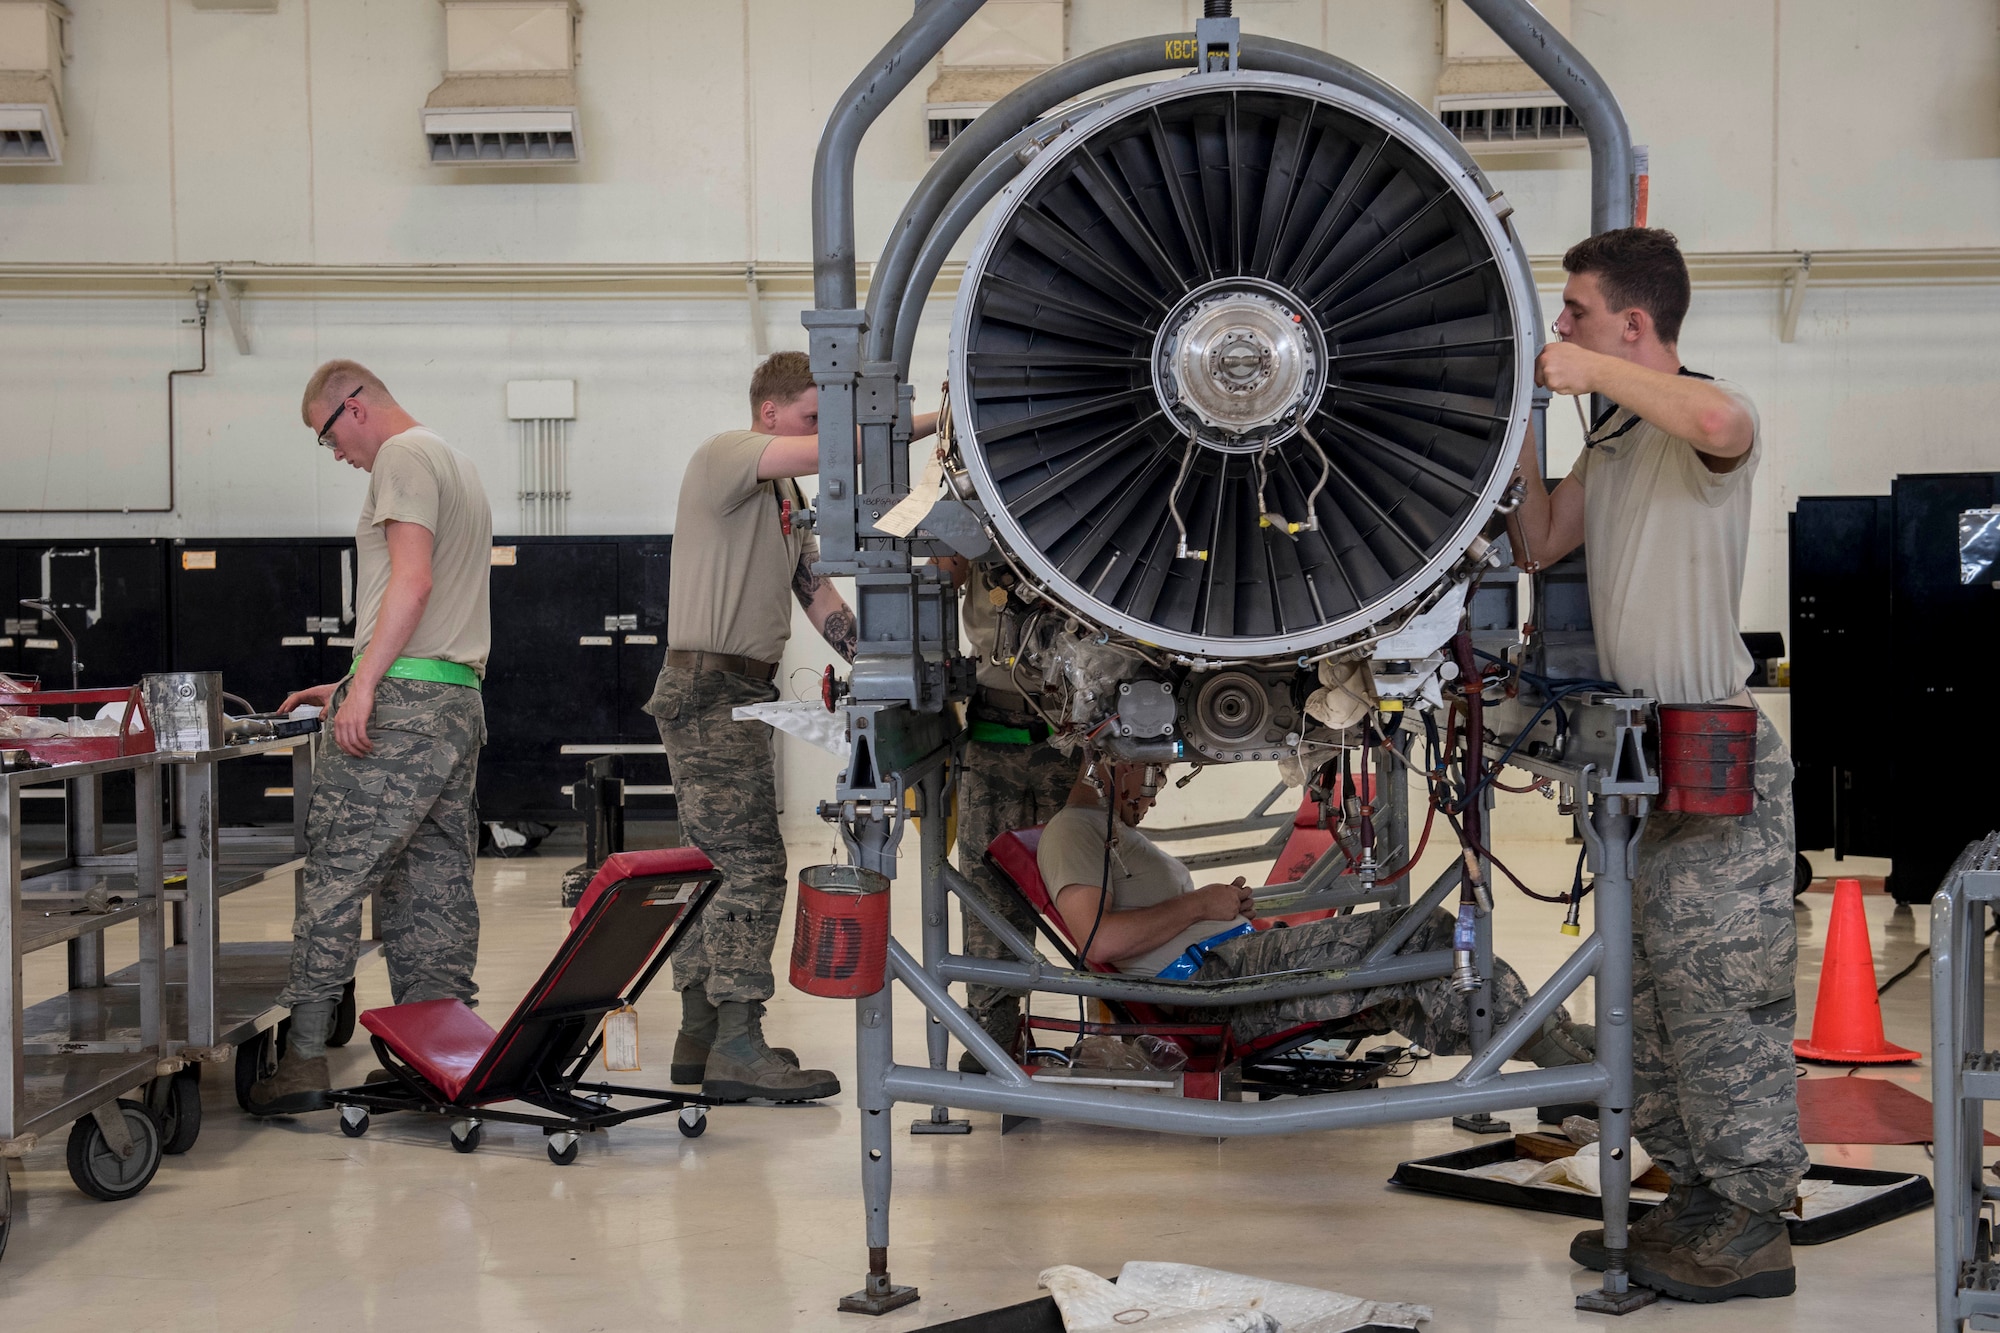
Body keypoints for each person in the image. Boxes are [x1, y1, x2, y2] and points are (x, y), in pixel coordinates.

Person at [1505, 227, 1805, 1304]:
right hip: (1640, 762)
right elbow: (1541, 540)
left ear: (1633, 325)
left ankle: (1751, 1223)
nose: (1562, 327)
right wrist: (1522, 424)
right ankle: (1693, 1193)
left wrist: (1583, 373)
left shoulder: (1701, 419)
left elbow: (1723, 422)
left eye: (1576, 311)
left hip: (1715, 754)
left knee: (1724, 1000)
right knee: (1654, 1001)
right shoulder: (1619, 438)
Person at [650, 351, 936, 1103]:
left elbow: (814, 590)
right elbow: (841, 449)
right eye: (813, 416)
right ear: (770, 411)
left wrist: (878, 662)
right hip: (710, 689)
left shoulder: (784, 491)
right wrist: (943, 422)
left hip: (734, 688)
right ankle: (737, 1042)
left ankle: (700, 1033)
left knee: (711, 863)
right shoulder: (727, 455)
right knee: (749, 866)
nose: (822, 431)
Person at [250, 360, 492, 1115]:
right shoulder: (455, 460)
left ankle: (302, 1061)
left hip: (402, 708)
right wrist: (354, 676)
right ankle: (435, 1058)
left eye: (327, 436)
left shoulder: (401, 456)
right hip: (455, 699)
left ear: (353, 407)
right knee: (434, 885)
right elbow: (435, 612)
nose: (335, 454)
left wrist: (366, 688)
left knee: (336, 877)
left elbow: (412, 582)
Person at [1038, 759, 1593, 1066]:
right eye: (1152, 774)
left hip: (1231, 965)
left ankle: (1556, 1045)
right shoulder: (1073, 831)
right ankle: (1559, 1051)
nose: (1156, 792)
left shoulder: (1109, 832)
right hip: (1214, 984)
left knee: (1408, 988)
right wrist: (1200, 904)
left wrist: (1218, 907)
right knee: (1420, 932)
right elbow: (1098, 942)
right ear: (1113, 763)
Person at [932, 556, 1072, 1071]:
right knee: (989, 893)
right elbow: (938, 575)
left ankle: (1127, 1018)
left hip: (1074, 732)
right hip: (994, 732)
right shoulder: (980, 517)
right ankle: (994, 1028)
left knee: (1094, 884)